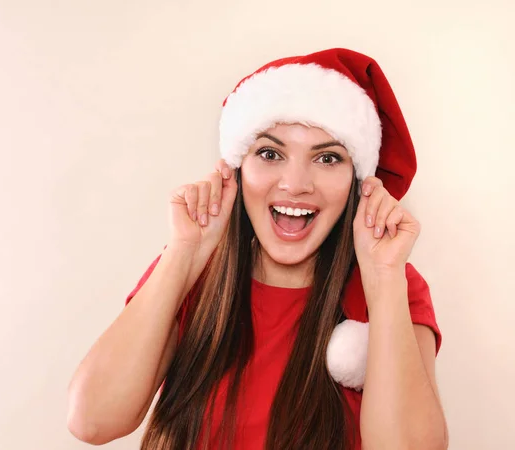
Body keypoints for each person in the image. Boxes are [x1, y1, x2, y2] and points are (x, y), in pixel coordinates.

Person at [67, 48, 448, 450]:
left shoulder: (392, 281)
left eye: (328, 157)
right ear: (236, 168)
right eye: (270, 153)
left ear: (359, 184)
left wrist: (383, 278)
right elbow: (92, 420)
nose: (295, 183)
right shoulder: (191, 267)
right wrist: (183, 253)